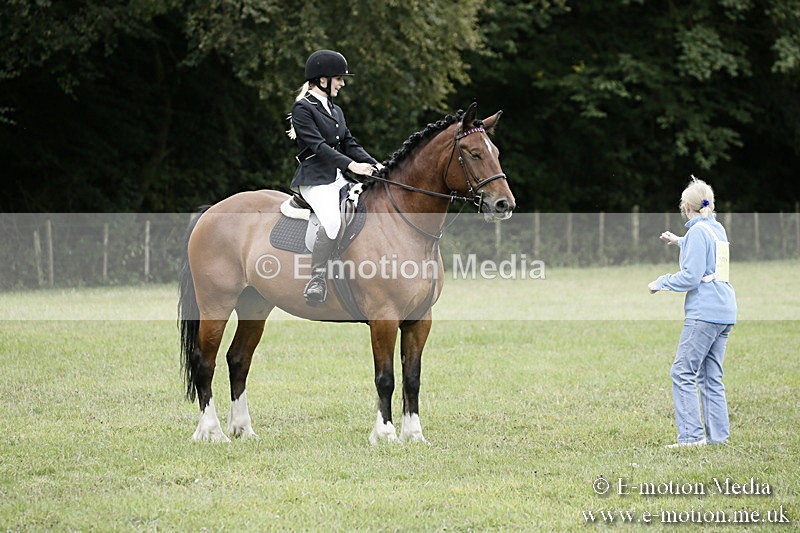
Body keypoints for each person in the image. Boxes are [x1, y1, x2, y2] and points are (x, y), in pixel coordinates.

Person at [648, 176, 737, 448]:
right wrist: (679, 241)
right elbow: (706, 251)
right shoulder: (716, 228)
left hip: (704, 313)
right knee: (711, 377)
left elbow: (691, 277)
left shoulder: (698, 232)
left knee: (682, 372)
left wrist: (661, 282)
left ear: (686, 206)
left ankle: (691, 437)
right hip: (725, 310)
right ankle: (718, 438)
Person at [287, 50, 381, 305]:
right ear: (322, 80)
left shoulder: (335, 110)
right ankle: (316, 278)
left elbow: (349, 143)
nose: (342, 84)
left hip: (338, 178)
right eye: (339, 78)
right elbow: (318, 147)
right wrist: (353, 165)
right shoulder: (303, 108)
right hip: (315, 180)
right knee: (332, 222)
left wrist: (376, 164)